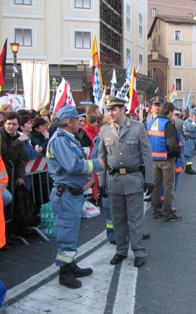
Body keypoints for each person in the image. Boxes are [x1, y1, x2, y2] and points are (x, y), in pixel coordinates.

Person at [46, 106, 105, 289]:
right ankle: (65, 273)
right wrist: (97, 164)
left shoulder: (67, 139)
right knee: (66, 234)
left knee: (71, 233)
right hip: (66, 195)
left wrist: (86, 180)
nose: (81, 122)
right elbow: (73, 165)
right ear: (69, 122)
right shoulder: (60, 140)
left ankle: (70, 265)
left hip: (71, 193)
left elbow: (72, 167)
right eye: (77, 119)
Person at [98, 95, 154, 268]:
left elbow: (147, 155)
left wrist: (149, 179)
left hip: (133, 180)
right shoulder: (105, 130)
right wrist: (101, 182)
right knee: (118, 219)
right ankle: (121, 250)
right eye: (108, 110)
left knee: (135, 218)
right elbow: (102, 157)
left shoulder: (137, 128)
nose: (110, 113)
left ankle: (138, 251)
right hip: (114, 181)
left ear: (123, 109)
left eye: (113, 109)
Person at [147, 102, 182, 222]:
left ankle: (156, 210)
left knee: (156, 186)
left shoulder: (151, 123)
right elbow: (172, 144)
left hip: (154, 159)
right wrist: (175, 156)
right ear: (170, 112)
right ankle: (168, 212)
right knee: (168, 186)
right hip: (167, 159)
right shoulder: (167, 124)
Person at [0, 112, 26, 187]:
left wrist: (21, 176)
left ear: (18, 125)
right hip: (2, 176)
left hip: (13, 176)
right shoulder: (1, 135)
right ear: (4, 123)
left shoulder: (18, 136)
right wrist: (18, 142)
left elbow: (20, 158)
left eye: (14, 124)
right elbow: (6, 155)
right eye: (9, 123)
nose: (11, 126)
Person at [183, 109, 196, 174]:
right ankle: (188, 169)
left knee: (190, 153)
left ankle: (188, 167)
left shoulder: (190, 121)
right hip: (189, 140)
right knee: (188, 154)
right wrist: (194, 121)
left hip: (191, 139)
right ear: (192, 115)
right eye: (195, 115)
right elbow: (191, 129)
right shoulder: (188, 121)